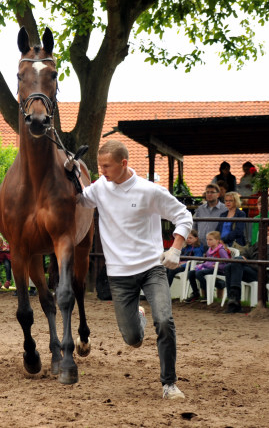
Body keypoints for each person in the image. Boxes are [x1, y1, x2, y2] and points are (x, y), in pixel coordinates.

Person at [76, 140, 192, 400]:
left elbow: (183, 215)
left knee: (164, 321)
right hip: (119, 275)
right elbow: (75, 200)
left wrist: (175, 248)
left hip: (152, 268)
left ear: (123, 163)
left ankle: (169, 384)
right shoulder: (98, 189)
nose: (101, 170)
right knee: (132, 339)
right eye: (99, 165)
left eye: (106, 166)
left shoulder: (149, 191)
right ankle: (137, 317)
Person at [222, 221, 269, 313]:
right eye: (267, 230)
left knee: (234, 265)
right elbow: (246, 253)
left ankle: (234, 301)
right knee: (230, 266)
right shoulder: (259, 243)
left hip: (264, 274)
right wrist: (244, 257)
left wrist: (268, 245)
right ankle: (234, 301)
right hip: (250, 270)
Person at [184, 231, 231, 303]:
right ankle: (196, 293)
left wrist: (218, 266)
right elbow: (207, 261)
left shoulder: (221, 250)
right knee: (191, 273)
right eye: (207, 239)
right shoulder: (209, 250)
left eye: (210, 240)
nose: (208, 241)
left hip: (219, 270)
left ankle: (207, 295)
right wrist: (202, 265)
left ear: (217, 240)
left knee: (199, 273)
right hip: (209, 268)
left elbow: (228, 263)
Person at [192, 183, 227, 247]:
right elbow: (194, 225)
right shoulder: (200, 208)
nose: (209, 194)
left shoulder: (225, 209)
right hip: (200, 245)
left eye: (212, 192)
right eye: (207, 192)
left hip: (216, 246)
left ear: (218, 194)